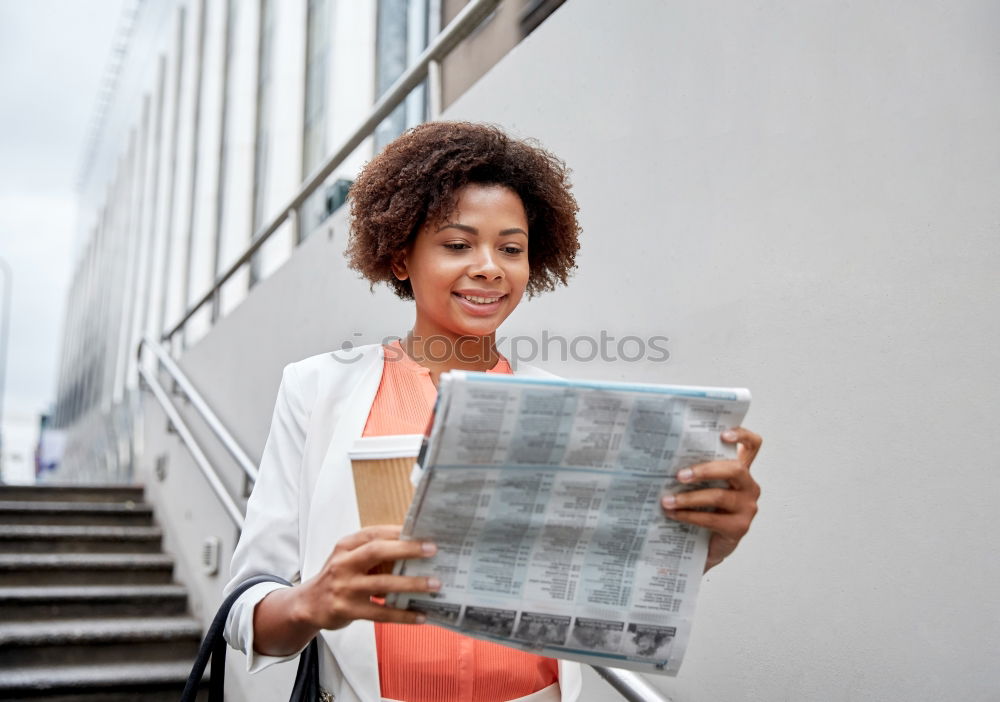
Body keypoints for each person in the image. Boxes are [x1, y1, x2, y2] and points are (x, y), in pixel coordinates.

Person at [224, 121, 762, 702]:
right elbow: (245, 615)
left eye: (511, 248)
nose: (490, 267)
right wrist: (313, 600)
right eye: (457, 245)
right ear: (401, 257)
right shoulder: (316, 389)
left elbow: (600, 588)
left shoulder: (566, 408)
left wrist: (706, 544)